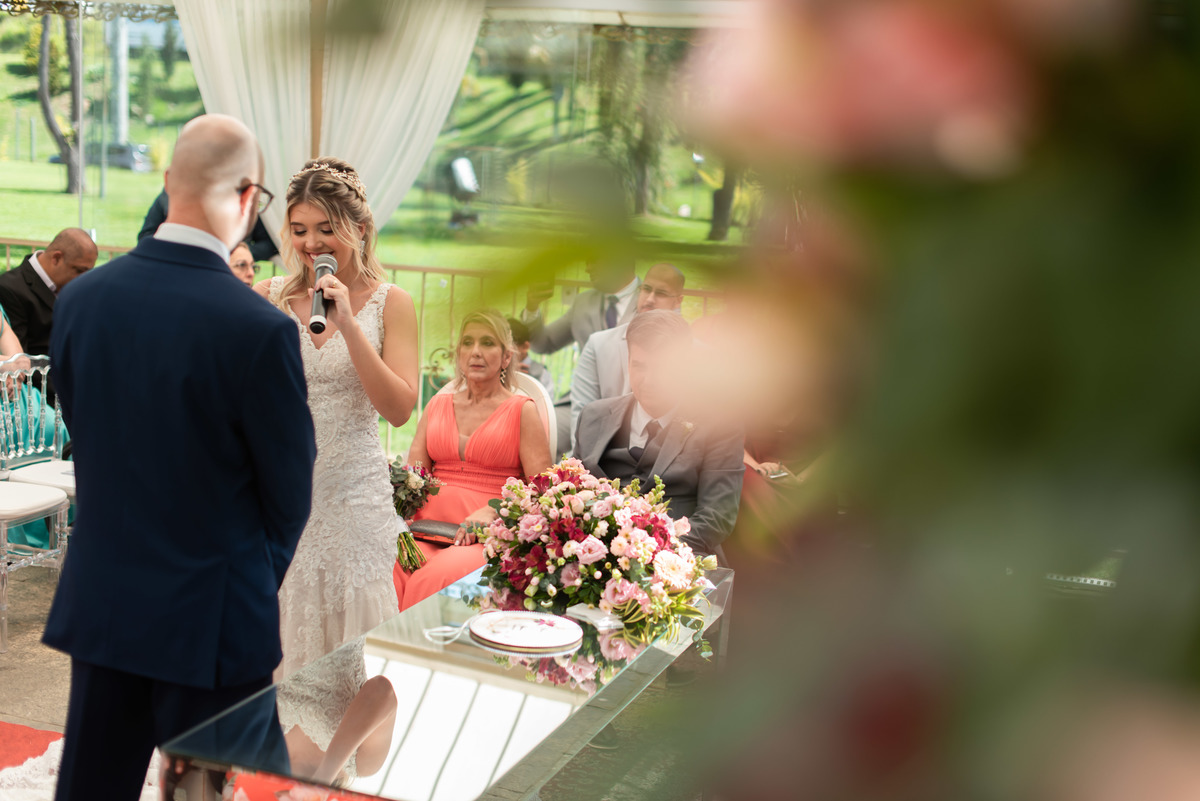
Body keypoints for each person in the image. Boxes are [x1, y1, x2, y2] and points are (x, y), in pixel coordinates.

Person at [43, 114, 316, 801]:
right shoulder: (257, 329)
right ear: (249, 197)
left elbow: (85, 428)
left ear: (168, 185)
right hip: (213, 622)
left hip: (105, 601)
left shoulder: (79, 301)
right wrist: (244, 577)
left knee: (91, 788)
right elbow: (288, 494)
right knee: (202, 795)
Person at [255, 157, 419, 679]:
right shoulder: (272, 297)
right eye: (300, 230)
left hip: (355, 498)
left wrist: (348, 323)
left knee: (355, 658)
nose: (312, 244)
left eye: (327, 229)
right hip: (283, 496)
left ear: (361, 229)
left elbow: (398, 409)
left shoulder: (393, 304)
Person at [393, 309, 552, 610]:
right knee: (389, 570)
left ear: (507, 357)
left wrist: (494, 512)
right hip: (424, 526)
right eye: (468, 342)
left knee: (427, 581)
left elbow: (541, 490)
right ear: (459, 353)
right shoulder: (437, 404)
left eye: (488, 343)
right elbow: (412, 476)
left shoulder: (523, 410)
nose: (476, 352)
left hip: (482, 534)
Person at [574, 310, 745, 562]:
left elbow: (716, 517)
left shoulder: (720, 424)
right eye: (639, 366)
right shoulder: (594, 416)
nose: (649, 380)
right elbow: (574, 495)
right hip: (593, 563)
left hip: (680, 562)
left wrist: (645, 556)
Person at [569, 262, 685, 438]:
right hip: (602, 451)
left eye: (661, 293)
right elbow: (581, 414)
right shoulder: (598, 344)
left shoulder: (694, 351)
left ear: (678, 301)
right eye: (646, 289)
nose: (650, 299)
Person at [0, 228, 97, 357]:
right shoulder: (10, 288)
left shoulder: (77, 287)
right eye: (79, 270)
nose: (84, 278)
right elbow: (20, 362)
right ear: (56, 258)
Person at [139, 187, 280, 262]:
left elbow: (269, 244)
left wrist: (237, 254)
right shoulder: (168, 195)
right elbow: (146, 236)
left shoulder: (243, 199)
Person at [506, 316, 552, 391]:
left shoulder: (541, 373)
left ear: (525, 346)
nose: (504, 352)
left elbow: (546, 401)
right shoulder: (496, 370)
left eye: (509, 347)